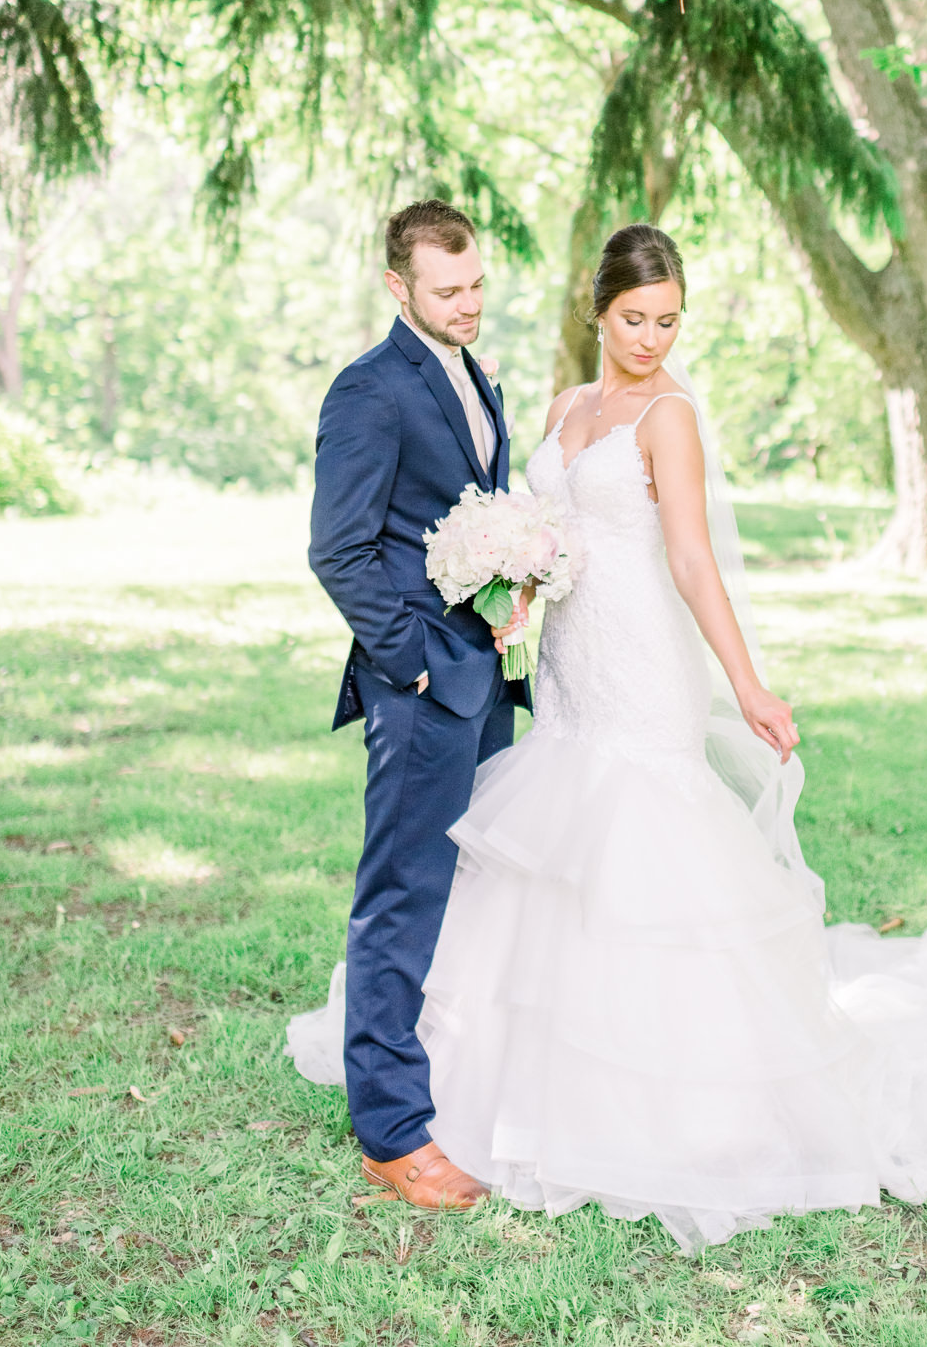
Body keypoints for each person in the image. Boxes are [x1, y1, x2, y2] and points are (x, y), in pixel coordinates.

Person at [292, 222, 927, 1251]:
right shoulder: (536, 401)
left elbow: (693, 562)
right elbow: (378, 539)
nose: (650, 338)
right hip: (537, 672)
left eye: (667, 321)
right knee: (480, 871)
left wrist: (746, 685)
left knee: (639, 855)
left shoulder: (657, 413)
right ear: (595, 313)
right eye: (632, 318)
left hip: (634, 663)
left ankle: (654, 1100)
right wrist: (473, 619)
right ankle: (413, 1116)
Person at [302, 199, 529, 1211]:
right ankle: (392, 1134)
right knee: (400, 898)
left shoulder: (471, 373)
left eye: (477, 282)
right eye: (448, 290)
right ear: (399, 288)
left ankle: (459, 1077)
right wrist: (417, 667)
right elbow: (339, 548)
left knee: (471, 890)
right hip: (424, 689)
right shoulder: (369, 390)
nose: (469, 303)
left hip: (485, 678)